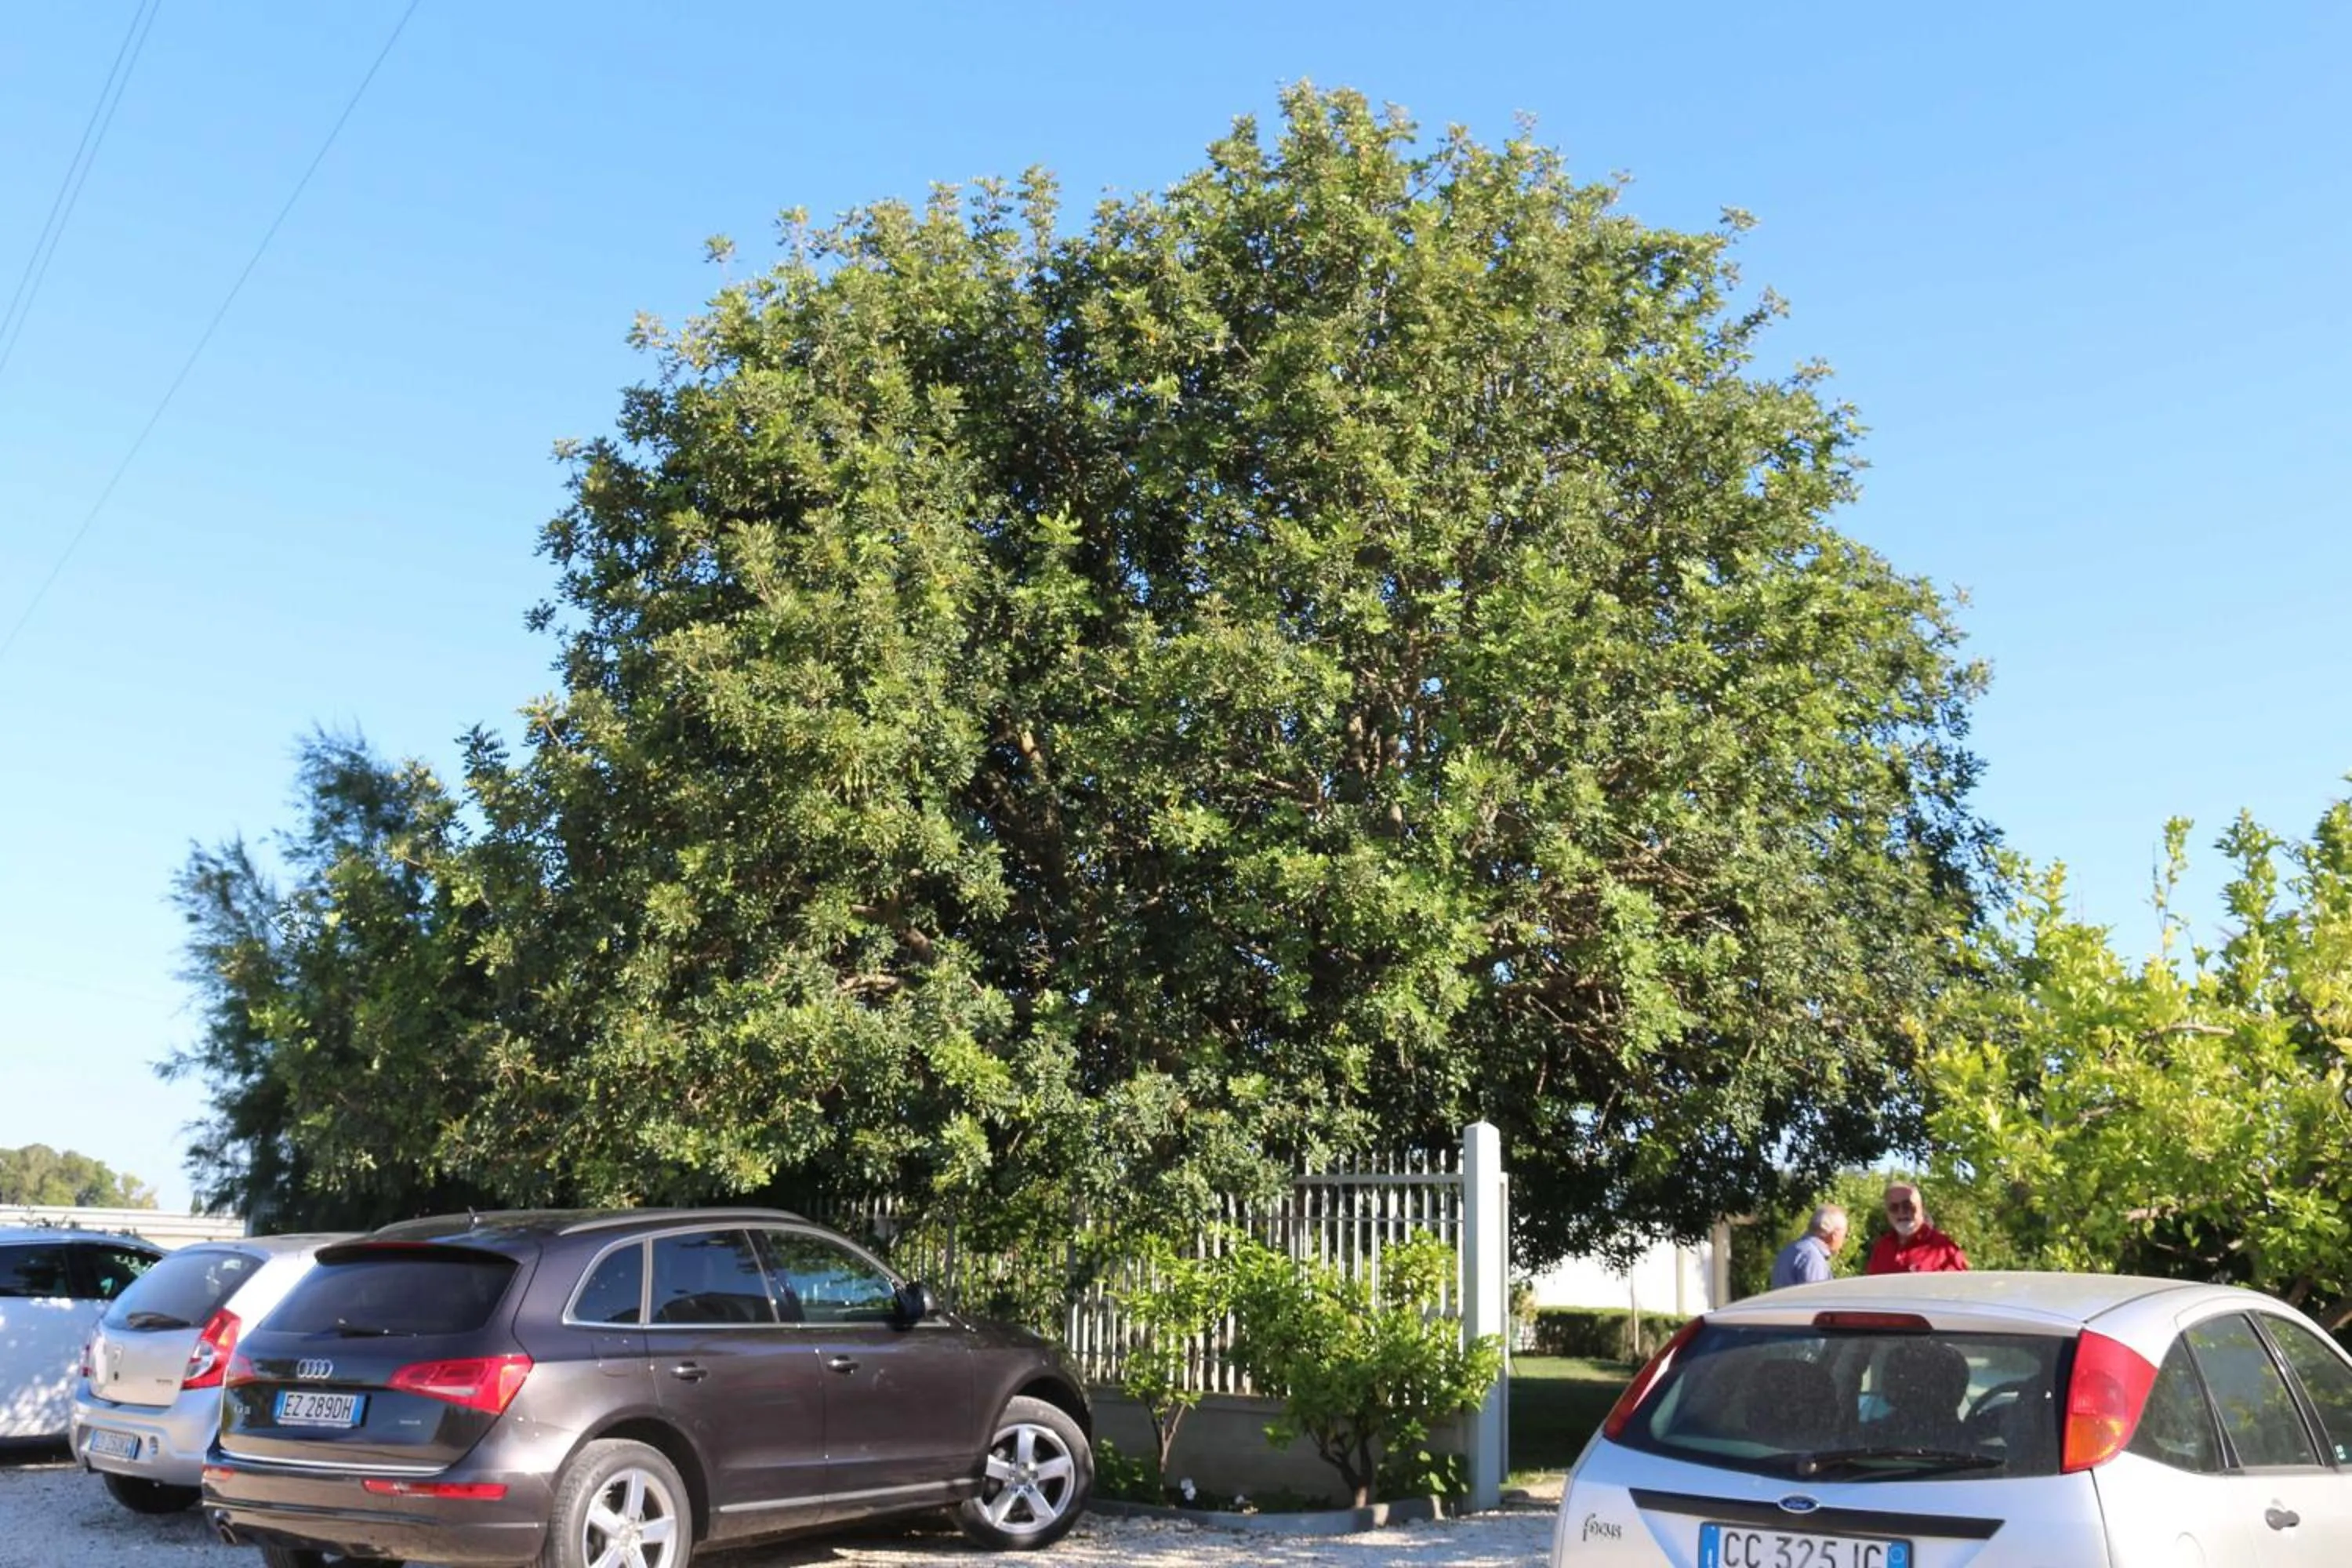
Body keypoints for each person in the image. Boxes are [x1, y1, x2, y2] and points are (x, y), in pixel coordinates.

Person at [1864, 1181, 1969, 1274]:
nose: (1901, 1212)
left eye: (1908, 1206)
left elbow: (1961, 1291)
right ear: (1887, 1213)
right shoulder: (1882, 1247)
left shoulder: (1944, 1249)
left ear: (1921, 1207)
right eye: (1894, 1208)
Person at [1768, 1204, 1849, 1289]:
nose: (1844, 1240)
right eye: (1845, 1235)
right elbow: (1815, 1299)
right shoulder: (1813, 1258)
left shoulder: (1790, 1250)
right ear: (1834, 1235)